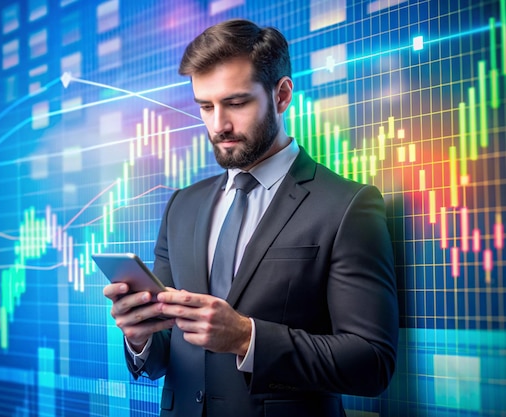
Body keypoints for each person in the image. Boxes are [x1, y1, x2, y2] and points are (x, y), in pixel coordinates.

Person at [103, 19, 398, 417]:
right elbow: (162, 359)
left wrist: (247, 337)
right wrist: (139, 337)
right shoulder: (182, 206)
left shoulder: (347, 205)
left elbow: (372, 363)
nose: (218, 125)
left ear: (281, 95)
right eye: (206, 106)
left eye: (236, 103)